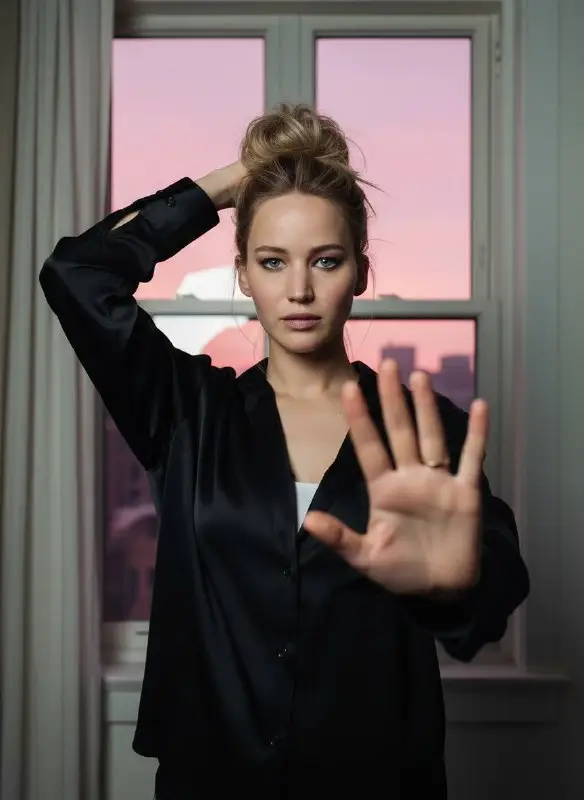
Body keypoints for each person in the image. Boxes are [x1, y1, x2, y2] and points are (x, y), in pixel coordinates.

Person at [40, 104, 529, 799]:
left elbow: (490, 599)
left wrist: (455, 584)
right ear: (243, 273)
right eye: (273, 261)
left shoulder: (422, 429)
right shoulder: (186, 413)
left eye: (326, 260)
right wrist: (228, 184)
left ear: (361, 272)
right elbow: (77, 273)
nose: (299, 289)